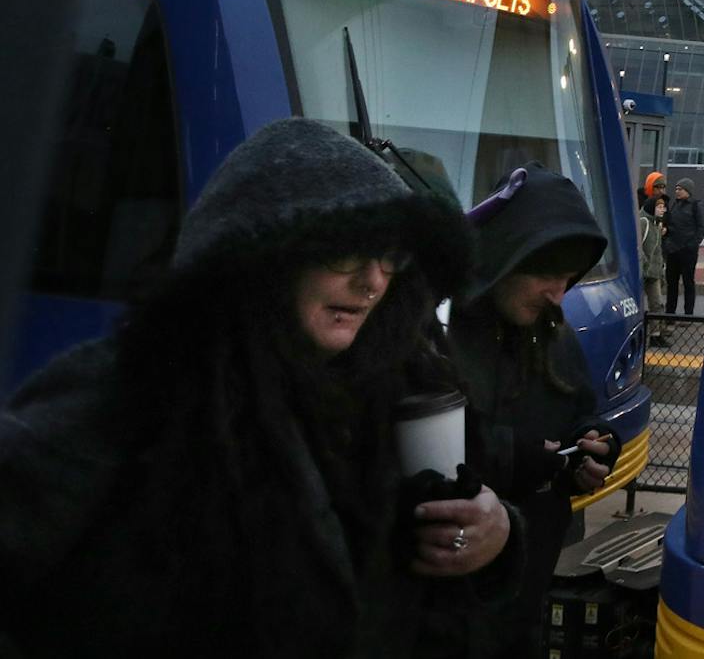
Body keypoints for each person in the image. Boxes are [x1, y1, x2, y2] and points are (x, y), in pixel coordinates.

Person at [0, 118, 519, 657]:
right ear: (264, 258)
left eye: (391, 256)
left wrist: (498, 534)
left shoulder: (403, 387)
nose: (373, 282)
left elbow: (457, 526)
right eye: (345, 252)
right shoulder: (138, 392)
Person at [449, 164, 616, 659]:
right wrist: (515, 456)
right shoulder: (438, 333)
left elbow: (581, 412)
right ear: (503, 256)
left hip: (529, 581)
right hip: (450, 597)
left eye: (568, 278)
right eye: (546, 274)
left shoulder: (553, 334)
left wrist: (598, 443)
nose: (558, 295)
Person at [663, 178, 704, 315]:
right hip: (672, 251)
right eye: (676, 189)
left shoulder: (696, 206)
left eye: (680, 189)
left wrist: (692, 245)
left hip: (688, 252)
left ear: (688, 191)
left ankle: (688, 313)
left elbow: (702, 227)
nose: (677, 191)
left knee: (688, 283)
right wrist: (667, 242)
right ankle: (669, 313)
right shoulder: (674, 205)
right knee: (672, 284)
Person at [639, 190, 669, 341]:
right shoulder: (643, 221)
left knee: (657, 303)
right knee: (637, 304)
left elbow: (658, 250)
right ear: (652, 207)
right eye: (659, 206)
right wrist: (644, 264)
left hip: (654, 272)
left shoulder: (657, 225)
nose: (662, 209)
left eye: (664, 207)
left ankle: (656, 335)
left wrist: (660, 268)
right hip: (642, 271)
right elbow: (638, 246)